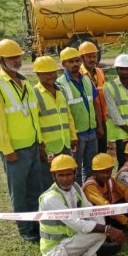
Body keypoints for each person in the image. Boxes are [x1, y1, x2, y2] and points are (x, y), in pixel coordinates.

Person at [0, 39, 43, 243]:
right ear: (1, 60)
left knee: (35, 189)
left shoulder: (25, 82)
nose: (16, 60)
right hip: (15, 150)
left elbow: (35, 115)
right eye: (11, 57)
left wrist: (40, 142)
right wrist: (7, 149)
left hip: (32, 145)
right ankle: (25, 229)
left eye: (18, 56)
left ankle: (36, 224)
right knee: (19, 192)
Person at [38, 154, 124, 256]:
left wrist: (106, 228)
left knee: (98, 217)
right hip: (56, 248)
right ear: (53, 176)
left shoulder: (75, 187)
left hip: (73, 238)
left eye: (69, 174)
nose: (65, 179)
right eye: (61, 175)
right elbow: (76, 223)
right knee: (100, 232)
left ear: (75, 173)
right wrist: (108, 229)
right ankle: (91, 250)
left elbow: (89, 210)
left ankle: (94, 247)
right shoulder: (50, 198)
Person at [57, 47, 102, 184]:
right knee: (74, 169)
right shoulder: (60, 84)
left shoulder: (87, 80)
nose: (75, 64)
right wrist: (71, 135)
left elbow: (95, 103)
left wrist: (99, 125)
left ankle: (88, 193)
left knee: (91, 168)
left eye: (77, 60)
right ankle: (76, 197)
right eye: (71, 61)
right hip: (76, 134)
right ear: (63, 64)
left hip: (91, 131)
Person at [32, 56, 77, 191]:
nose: (52, 76)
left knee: (67, 179)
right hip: (48, 147)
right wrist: (40, 145)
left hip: (64, 143)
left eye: (54, 72)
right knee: (48, 181)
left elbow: (68, 114)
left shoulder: (61, 90)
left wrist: (73, 136)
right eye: (47, 73)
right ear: (38, 74)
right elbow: (35, 121)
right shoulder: (34, 93)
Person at [82, 153, 128, 231]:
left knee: (127, 208)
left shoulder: (110, 180)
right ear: (94, 172)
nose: (105, 175)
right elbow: (105, 206)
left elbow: (126, 192)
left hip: (109, 210)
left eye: (108, 171)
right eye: (102, 172)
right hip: (95, 216)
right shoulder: (90, 187)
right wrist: (125, 221)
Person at [78, 41, 108, 154]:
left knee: (103, 152)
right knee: (91, 156)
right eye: (89, 56)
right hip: (90, 122)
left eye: (94, 56)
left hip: (102, 119)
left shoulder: (99, 72)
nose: (92, 59)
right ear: (82, 58)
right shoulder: (79, 74)